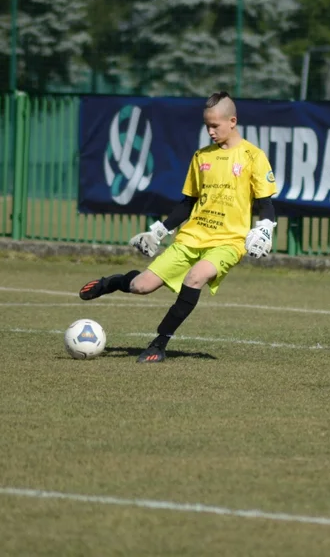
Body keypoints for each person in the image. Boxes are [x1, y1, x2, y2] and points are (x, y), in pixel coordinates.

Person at [79, 91, 278, 363]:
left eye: (215, 125)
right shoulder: (201, 157)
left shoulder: (253, 157)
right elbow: (188, 203)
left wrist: (265, 228)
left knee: (195, 277)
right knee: (141, 286)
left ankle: (159, 344)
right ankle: (111, 282)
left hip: (229, 242)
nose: (210, 131)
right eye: (206, 125)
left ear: (232, 121)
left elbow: (265, 202)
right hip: (191, 237)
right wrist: (157, 231)